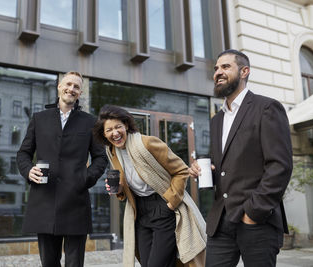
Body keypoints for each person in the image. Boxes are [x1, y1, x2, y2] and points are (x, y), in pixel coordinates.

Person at [189, 49, 293, 267]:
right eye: (216, 68)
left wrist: (253, 212)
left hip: (256, 220)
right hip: (221, 221)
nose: (218, 72)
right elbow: (226, 165)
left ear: (244, 71)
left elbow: (279, 166)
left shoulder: (267, 108)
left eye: (225, 67)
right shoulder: (217, 119)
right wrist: (203, 168)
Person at [93, 105, 206, 267]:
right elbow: (128, 184)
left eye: (118, 127)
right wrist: (119, 189)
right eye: (109, 130)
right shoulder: (112, 152)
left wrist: (171, 202)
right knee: (146, 263)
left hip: (163, 206)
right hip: (140, 212)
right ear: (104, 134)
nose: (115, 133)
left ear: (126, 125)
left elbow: (181, 170)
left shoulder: (147, 143)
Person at [17, 71, 108, 267]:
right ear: (59, 86)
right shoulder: (39, 118)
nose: (71, 89)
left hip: (76, 201)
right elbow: (23, 153)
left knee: (74, 263)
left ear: (80, 92)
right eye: (68, 84)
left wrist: (85, 178)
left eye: (76, 87)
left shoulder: (90, 121)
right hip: (45, 200)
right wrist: (28, 170)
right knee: (49, 262)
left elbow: (101, 158)